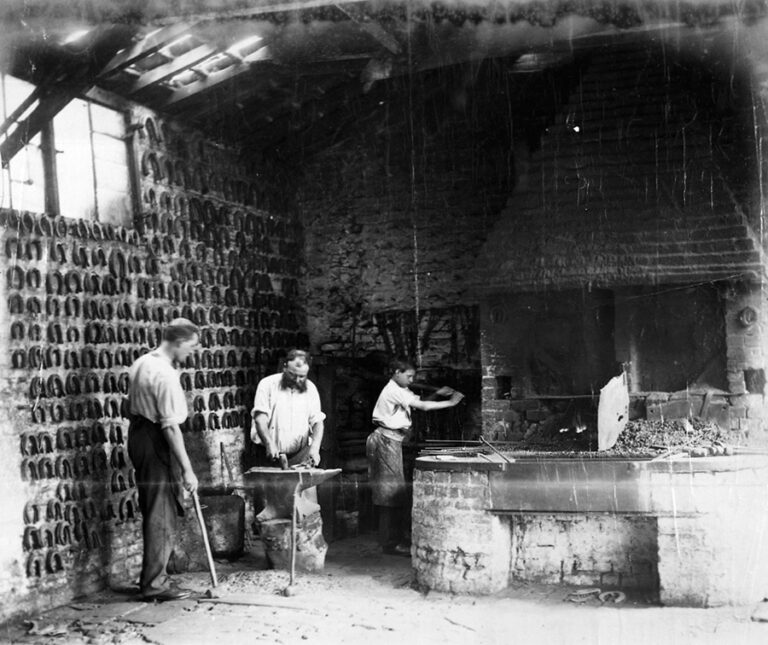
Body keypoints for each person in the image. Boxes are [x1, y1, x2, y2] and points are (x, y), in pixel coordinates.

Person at [127, 318, 199, 602]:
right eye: (191, 347)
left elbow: (126, 404)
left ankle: (155, 576)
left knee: (155, 507)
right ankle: (155, 584)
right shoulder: (166, 375)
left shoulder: (141, 362)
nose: (192, 353)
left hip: (138, 435)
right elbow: (170, 426)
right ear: (178, 342)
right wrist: (188, 470)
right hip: (156, 438)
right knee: (161, 512)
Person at [367, 357, 464, 555]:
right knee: (390, 493)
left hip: (392, 440)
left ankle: (394, 539)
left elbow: (419, 401)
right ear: (396, 372)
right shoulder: (392, 390)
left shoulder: (401, 389)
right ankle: (390, 543)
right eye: (408, 376)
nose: (411, 380)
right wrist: (451, 402)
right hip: (385, 440)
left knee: (394, 492)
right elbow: (424, 407)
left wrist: (437, 393)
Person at [250, 349, 325, 519]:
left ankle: (306, 544)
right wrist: (270, 443)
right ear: (284, 367)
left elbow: (318, 422)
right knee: (272, 513)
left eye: (302, 377)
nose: (297, 381)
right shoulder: (267, 385)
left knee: (307, 511)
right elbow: (260, 418)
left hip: (301, 456)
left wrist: (315, 448)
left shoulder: (310, 389)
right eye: (293, 375)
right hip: (270, 457)